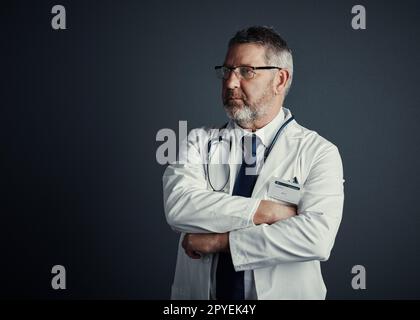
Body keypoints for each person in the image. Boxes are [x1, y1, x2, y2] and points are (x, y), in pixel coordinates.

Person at [162, 26, 344, 300]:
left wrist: (221, 242)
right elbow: (179, 206)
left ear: (280, 80)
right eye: (227, 71)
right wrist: (266, 212)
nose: (230, 82)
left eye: (246, 71)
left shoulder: (319, 152)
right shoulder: (198, 142)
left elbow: (315, 239)